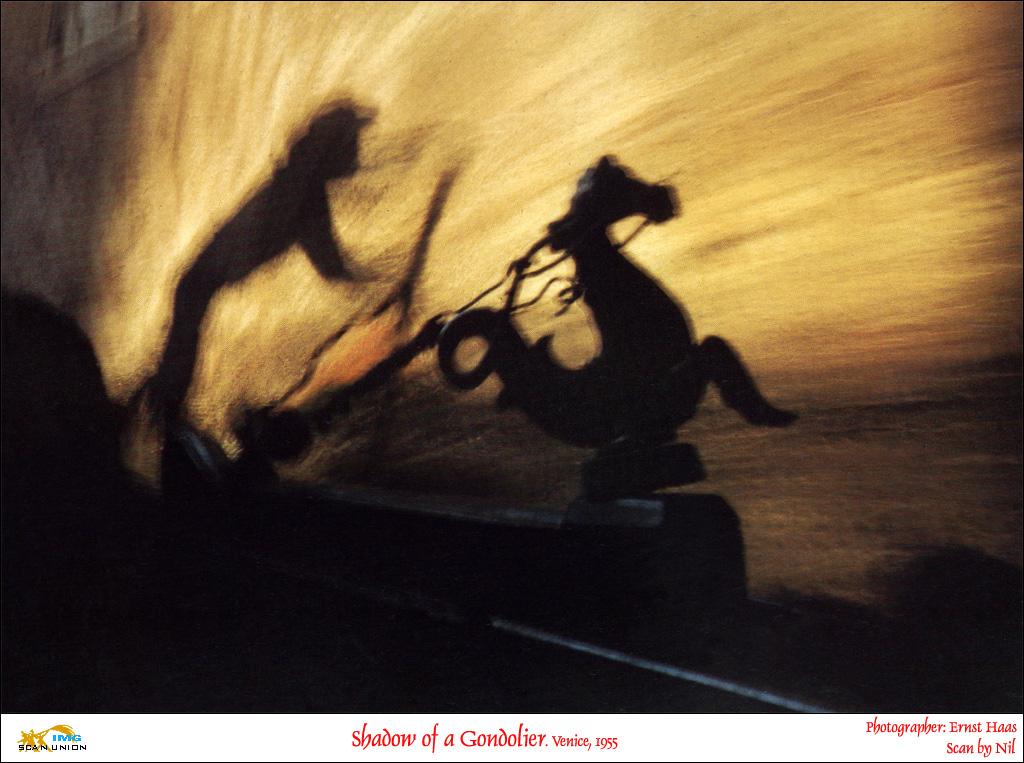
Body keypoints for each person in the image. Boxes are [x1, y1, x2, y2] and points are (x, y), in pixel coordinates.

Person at [141, 103, 373, 426]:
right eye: (351, 142)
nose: (357, 149)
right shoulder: (303, 198)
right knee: (174, 382)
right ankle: (150, 424)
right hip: (197, 285)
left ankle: (144, 415)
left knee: (174, 371)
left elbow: (330, 260)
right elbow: (331, 267)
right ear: (332, 150)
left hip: (197, 284)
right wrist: (379, 281)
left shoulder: (298, 187)